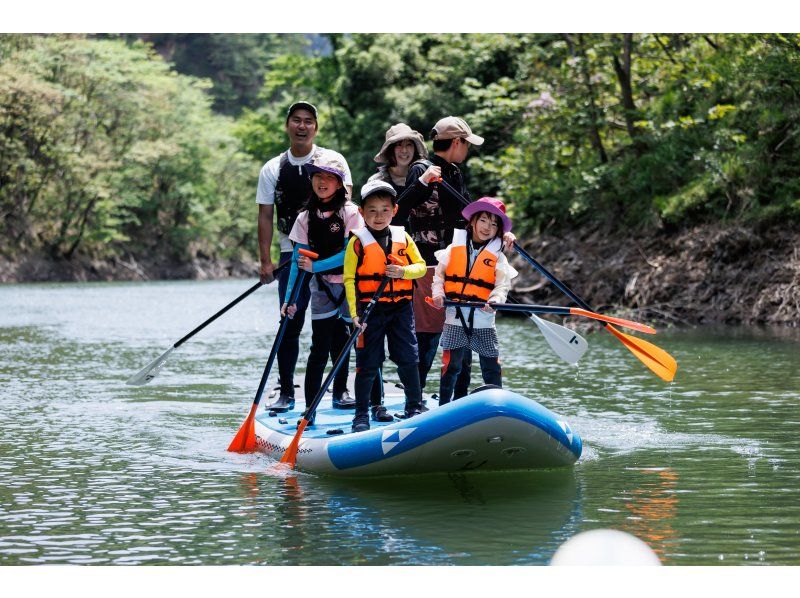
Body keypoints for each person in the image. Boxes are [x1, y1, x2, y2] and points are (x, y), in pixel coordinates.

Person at [255, 101, 355, 411]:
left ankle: (340, 390)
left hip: (334, 256)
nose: (302, 126)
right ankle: (287, 391)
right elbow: (265, 216)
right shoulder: (273, 168)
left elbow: (347, 205)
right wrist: (265, 261)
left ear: (315, 127)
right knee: (290, 320)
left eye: (308, 121)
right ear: (287, 125)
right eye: (296, 120)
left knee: (340, 324)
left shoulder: (333, 160)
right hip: (292, 254)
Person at [393, 116, 486, 400]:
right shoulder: (421, 169)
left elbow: (470, 212)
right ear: (456, 142)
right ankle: (415, 399)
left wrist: (500, 232)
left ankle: (460, 399)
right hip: (428, 265)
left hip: (459, 264)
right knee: (429, 338)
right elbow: (399, 209)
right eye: (466, 144)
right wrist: (422, 182)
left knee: (462, 335)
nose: (467, 150)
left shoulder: (454, 173)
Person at [282, 153, 363, 422]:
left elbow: (351, 254)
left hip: (350, 288)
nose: (323, 182)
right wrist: (290, 299)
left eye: (329, 178)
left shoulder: (350, 213)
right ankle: (311, 409)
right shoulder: (304, 218)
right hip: (323, 290)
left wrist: (315, 267)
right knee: (319, 347)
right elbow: (297, 261)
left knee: (343, 344)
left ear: (340, 184)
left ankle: (341, 392)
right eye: (318, 176)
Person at [343, 180, 427, 432]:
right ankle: (361, 414)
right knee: (368, 363)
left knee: (408, 359)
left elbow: (420, 267)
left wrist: (403, 271)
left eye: (384, 209)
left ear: (394, 210)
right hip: (371, 310)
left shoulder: (404, 237)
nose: (379, 216)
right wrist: (355, 314)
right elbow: (350, 279)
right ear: (361, 212)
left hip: (401, 308)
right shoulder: (356, 242)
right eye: (372, 210)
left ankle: (414, 405)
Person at [429, 197, 518, 404]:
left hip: (483, 319)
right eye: (484, 221)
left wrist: (495, 300)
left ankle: (497, 405)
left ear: (499, 231)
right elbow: (439, 276)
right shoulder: (454, 249)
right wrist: (438, 293)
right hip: (455, 317)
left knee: (491, 366)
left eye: (494, 224)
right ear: (473, 222)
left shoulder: (498, 257)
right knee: (451, 366)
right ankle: (445, 406)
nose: (488, 227)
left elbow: (502, 286)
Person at [368, 123, 427, 195]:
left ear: (415, 149)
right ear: (390, 149)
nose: (404, 150)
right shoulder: (376, 182)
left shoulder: (425, 178)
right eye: (399, 145)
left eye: (409, 144)